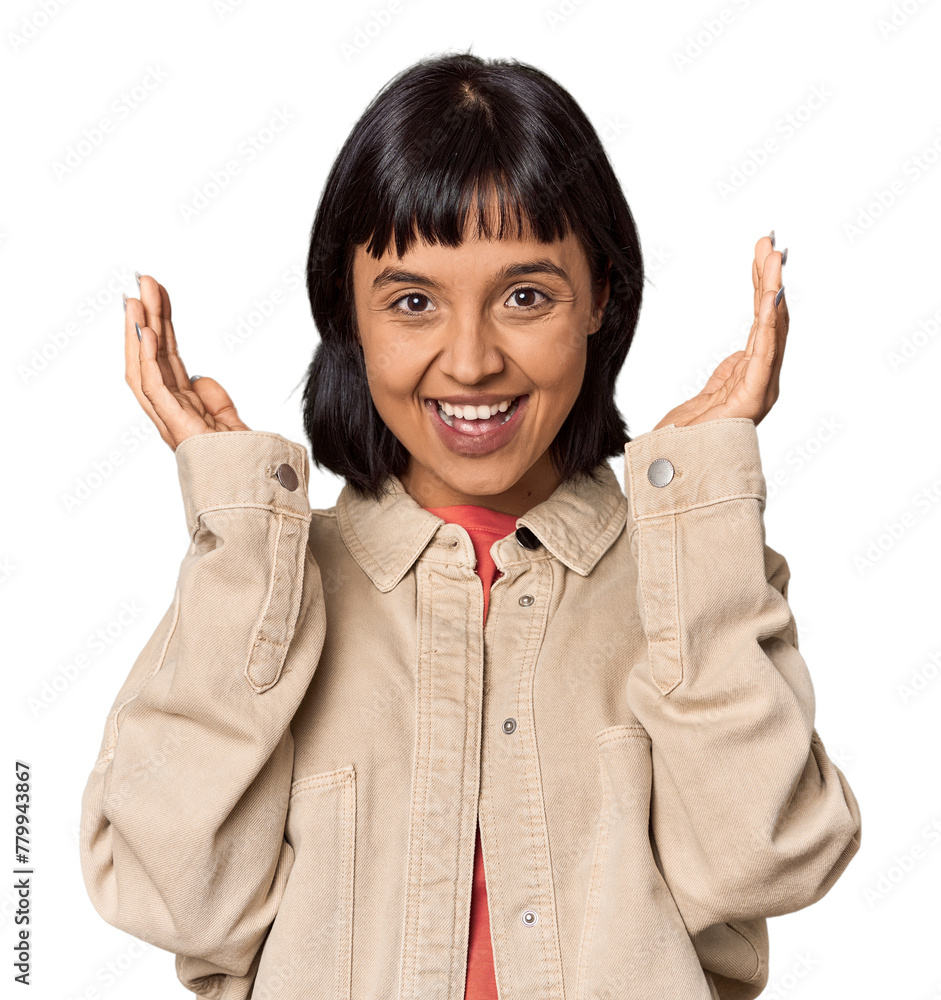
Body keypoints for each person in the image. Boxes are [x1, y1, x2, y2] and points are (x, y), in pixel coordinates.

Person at [79, 51, 861, 1000]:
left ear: (601, 297)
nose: (472, 360)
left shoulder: (684, 579)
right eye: (412, 302)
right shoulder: (273, 591)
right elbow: (173, 896)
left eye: (525, 296)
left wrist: (699, 508)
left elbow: (769, 859)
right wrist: (242, 536)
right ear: (349, 318)